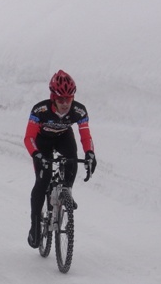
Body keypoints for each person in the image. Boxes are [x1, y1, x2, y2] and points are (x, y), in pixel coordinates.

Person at [24, 70, 97, 249]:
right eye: (61, 100)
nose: (65, 104)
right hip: (43, 141)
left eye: (68, 99)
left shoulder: (79, 110)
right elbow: (29, 138)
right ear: (53, 98)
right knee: (43, 180)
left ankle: (66, 192)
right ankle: (35, 225)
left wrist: (90, 154)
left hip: (64, 137)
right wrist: (36, 154)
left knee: (72, 159)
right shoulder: (40, 110)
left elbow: (86, 136)